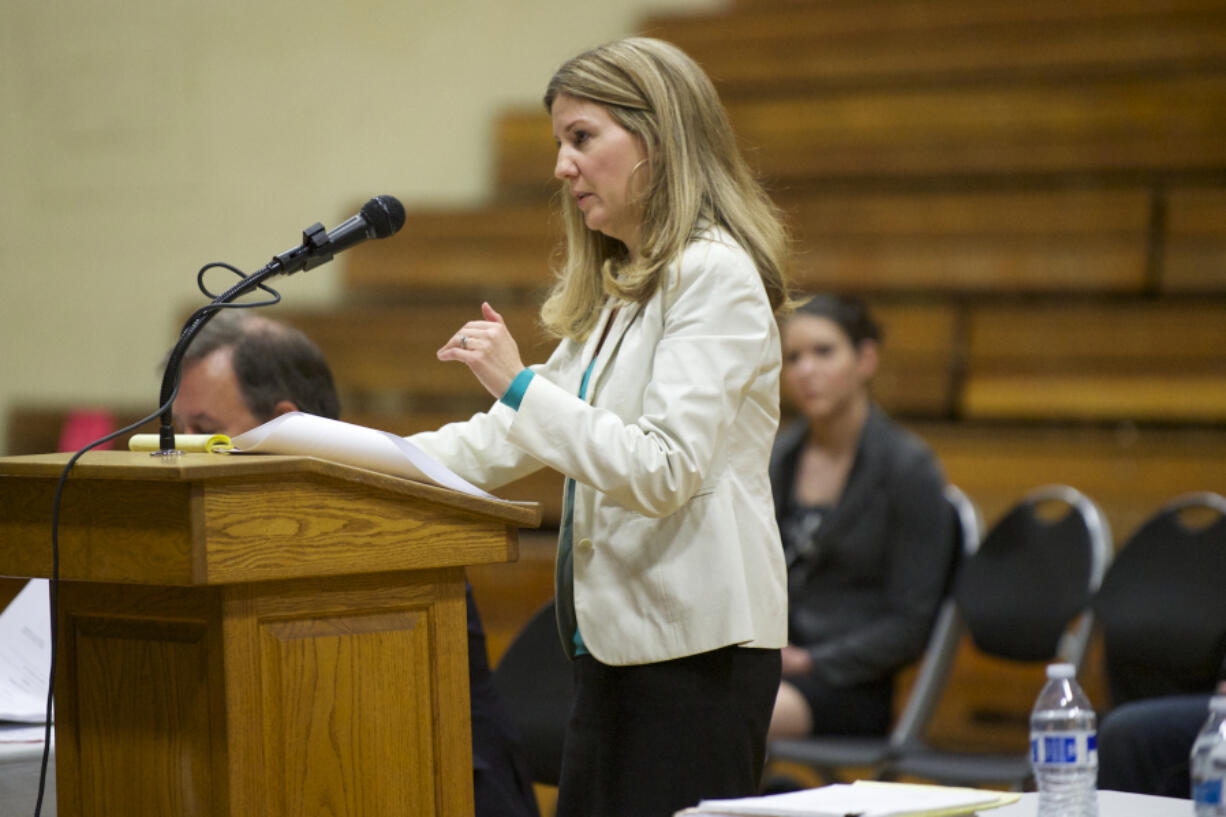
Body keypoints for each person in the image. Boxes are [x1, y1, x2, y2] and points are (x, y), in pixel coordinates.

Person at [405, 37, 793, 817]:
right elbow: (498, 441)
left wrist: (517, 382)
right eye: (559, 143)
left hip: (698, 655)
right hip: (616, 648)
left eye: (582, 138)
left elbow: (662, 468)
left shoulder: (714, 273)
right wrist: (347, 455)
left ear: (658, 137)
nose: (561, 167)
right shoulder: (628, 289)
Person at [170, 310, 540, 817]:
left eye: (204, 431)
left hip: (444, 790)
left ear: (285, 421)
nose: (183, 450)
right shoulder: (215, 538)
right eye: (177, 431)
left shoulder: (385, 530)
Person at [767, 294, 955, 741]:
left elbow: (912, 624)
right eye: (793, 357)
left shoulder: (909, 470)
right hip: (768, 666)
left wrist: (810, 661)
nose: (805, 370)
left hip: (848, 683)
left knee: (721, 716)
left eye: (823, 351)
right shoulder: (778, 458)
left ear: (865, 359)